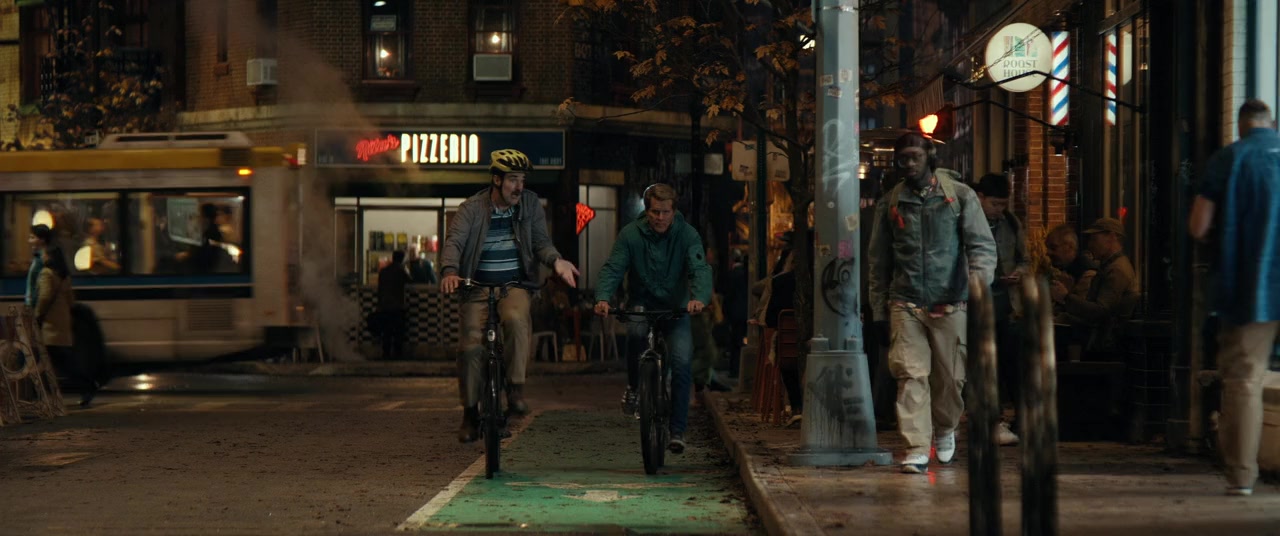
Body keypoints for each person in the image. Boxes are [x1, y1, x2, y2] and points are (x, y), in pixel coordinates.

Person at [867, 132, 997, 474]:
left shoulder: (960, 196)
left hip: (950, 302)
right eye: (903, 158)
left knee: (950, 379)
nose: (909, 164)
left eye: (915, 157)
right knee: (910, 374)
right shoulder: (891, 203)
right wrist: (879, 309)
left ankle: (945, 427)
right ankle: (916, 445)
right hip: (905, 302)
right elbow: (878, 262)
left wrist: (977, 288)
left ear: (930, 158)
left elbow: (981, 246)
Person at [441, 149, 580, 443]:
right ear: (497, 180)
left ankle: (515, 389)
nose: (519, 187)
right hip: (476, 286)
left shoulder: (529, 204)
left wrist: (556, 261)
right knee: (470, 346)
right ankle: (469, 413)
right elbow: (455, 241)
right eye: (513, 180)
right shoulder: (472, 208)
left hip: (513, 284)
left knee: (517, 320)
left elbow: (541, 242)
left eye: (522, 180)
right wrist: (450, 271)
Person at [1188, 99, 1280, 496]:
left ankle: (1242, 477)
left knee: (1244, 380)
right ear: (1271, 124)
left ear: (1241, 126)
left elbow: (1198, 225)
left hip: (1252, 288)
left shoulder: (1230, 158)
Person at [593, 183, 712, 454]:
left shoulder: (687, 235)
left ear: (674, 211)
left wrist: (699, 298)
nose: (660, 217)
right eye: (655, 211)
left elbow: (699, 268)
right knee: (636, 334)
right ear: (646, 211)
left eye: (666, 212)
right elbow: (614, 267)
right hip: (641, 302)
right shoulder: (631, 235)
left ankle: (677, 431)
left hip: (676, 307)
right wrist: (603, 297)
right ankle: (634, 387)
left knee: (682, 363)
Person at [974, 173, 1029, 446]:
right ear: (980, 198)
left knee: (1012, 363)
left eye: (1003, 204)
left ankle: (1020, 417)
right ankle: (992, 418)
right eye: (994, 204)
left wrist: (1019, 273)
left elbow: (1024, 259)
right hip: (979, 303)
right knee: (986, 365)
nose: (999, 209)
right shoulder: (968, 221)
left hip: (1007, 305)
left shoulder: (1010, 222)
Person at [29, 225, 97, 407]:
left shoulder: (46, 274)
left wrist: (36, 315)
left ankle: (85, 386)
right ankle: (48, 394)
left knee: (57, 361)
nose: (42, 256)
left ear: (50, 257)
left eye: (45, 254)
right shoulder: (64, 276)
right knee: (58, 360)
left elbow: (44, 298)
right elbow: (70, 300)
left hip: (49, 325)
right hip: (61, 323)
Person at [1050, 217, 1139, 354]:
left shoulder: (1117, 270)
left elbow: (1100, 312)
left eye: (1094, 239)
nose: (1090, 245)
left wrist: (1066, 297)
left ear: (1112, 237)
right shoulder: (1110, 266)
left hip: (1105, 346)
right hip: (1100, 340)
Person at [1044, 224, 1098, 308]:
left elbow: (1082, 310)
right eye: (1048, 248)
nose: (1048, 253)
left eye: (1053, 248)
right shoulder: (1062, 269)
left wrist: (1066, 294)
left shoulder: (1087, 273)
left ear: (1070, 247)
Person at [376, 250, 411, 359]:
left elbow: (380, 289)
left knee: (387, 332)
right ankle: (397, 354)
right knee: (398, 332)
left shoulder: (384, 271)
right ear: (402, 259)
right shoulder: (401, 271)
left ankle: (386, 353)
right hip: (397, 306)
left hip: (385, 305)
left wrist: (379, 304)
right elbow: (410, 281)